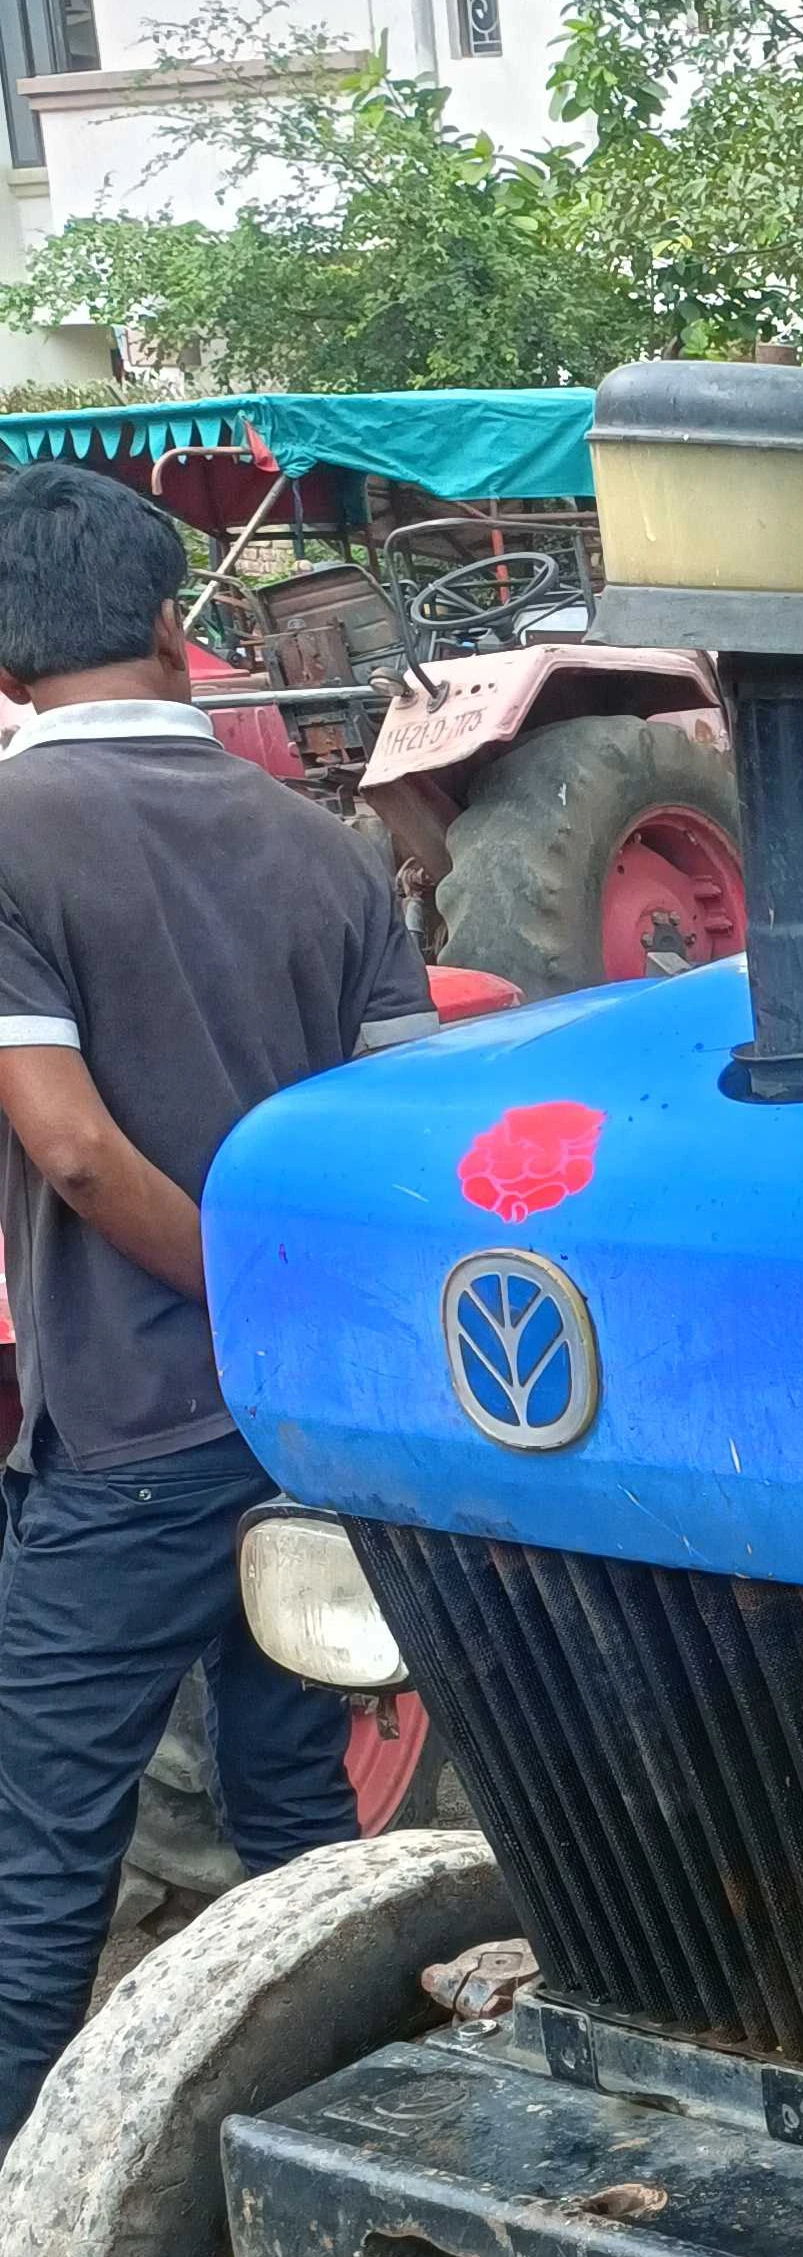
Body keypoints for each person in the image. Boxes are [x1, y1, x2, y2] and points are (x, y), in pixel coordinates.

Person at [0, 462, 432, 2150]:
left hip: (124, 1438)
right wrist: (298, 1340)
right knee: (296, 1823)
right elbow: (407, 1137)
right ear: (176, 629)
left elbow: (74, 1152)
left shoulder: (15, 838)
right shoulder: (326, 849)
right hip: (308, 1426)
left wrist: (232, 1313)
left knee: (44, 1860)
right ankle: (346, 2147)